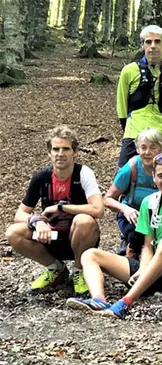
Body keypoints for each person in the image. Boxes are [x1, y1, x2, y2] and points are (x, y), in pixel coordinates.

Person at [66, 154, 162, 319]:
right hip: (153, 268)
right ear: (154, 178)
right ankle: (99, 300)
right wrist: (144, 268)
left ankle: (125, 303)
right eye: (161, 176)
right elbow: (148, 245)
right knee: (89, 255)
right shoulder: (149, 203)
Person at [6, 126, 104, 295]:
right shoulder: (42, 177)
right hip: (51, 236)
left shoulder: (83, 173)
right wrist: (37, 222)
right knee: (13, 233)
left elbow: (98, 209)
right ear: (49, 152)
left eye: (66, 149)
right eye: (56, 149)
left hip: (80, 238)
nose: (60, 153)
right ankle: (55, 269)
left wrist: (61, 207)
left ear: (74, 151)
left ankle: (79, 270)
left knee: (84, 220)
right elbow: (20, 214)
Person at [104, 127, 162, 258]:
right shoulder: (132, 167)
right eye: (143, 147)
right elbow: (107, 199)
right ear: (137, 149)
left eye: (153, 148)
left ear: (161, 149)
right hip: (134, 217)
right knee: (140, 235)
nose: (147, 152)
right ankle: (132, 252)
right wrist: (125, 209)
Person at [116, 25, 162, 167]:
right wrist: (126, 125)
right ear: (143, 45)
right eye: (148, 42)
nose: (153, 46)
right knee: (125, 173)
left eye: (157, 42)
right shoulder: (129, 71)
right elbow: (121, 104)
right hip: (134, 131)